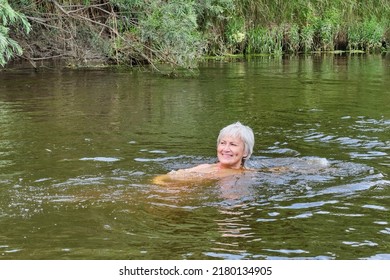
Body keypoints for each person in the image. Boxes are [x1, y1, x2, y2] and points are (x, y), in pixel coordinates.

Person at [153, 121, 255, 186]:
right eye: (222, 143)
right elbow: (160, 178)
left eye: (233, 144)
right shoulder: (206, 168)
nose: (226, 149)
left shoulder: (249, 174)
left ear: (245, 152)